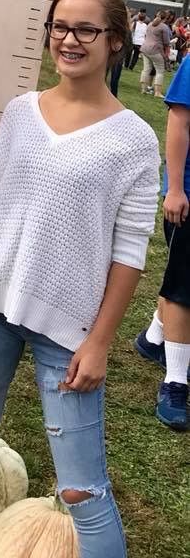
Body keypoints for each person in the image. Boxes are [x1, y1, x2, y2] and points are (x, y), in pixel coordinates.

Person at [0, 0, 160, 558]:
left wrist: (101, 341)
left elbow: (130, 250)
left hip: (70, 326)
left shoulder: (134, 140)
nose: (69, 39)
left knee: (82, 484)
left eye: (86, 29)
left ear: (115, 41)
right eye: (60, 26)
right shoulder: (20, 112)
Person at [134, 53, 190, 430]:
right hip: (188, 195)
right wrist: (174, 188)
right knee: (183, 290)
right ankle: (176, 383)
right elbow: (179, 122)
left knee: (180, 280)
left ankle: (154, 338)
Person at [140, 12, 170, 97]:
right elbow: (166, 42)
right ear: (166, 18)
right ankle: (157, 92)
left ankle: (143, 89)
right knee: (160, 70)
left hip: (145, 48)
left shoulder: (150, 24)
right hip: (155, 50)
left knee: (146, 69)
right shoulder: (164, 27)